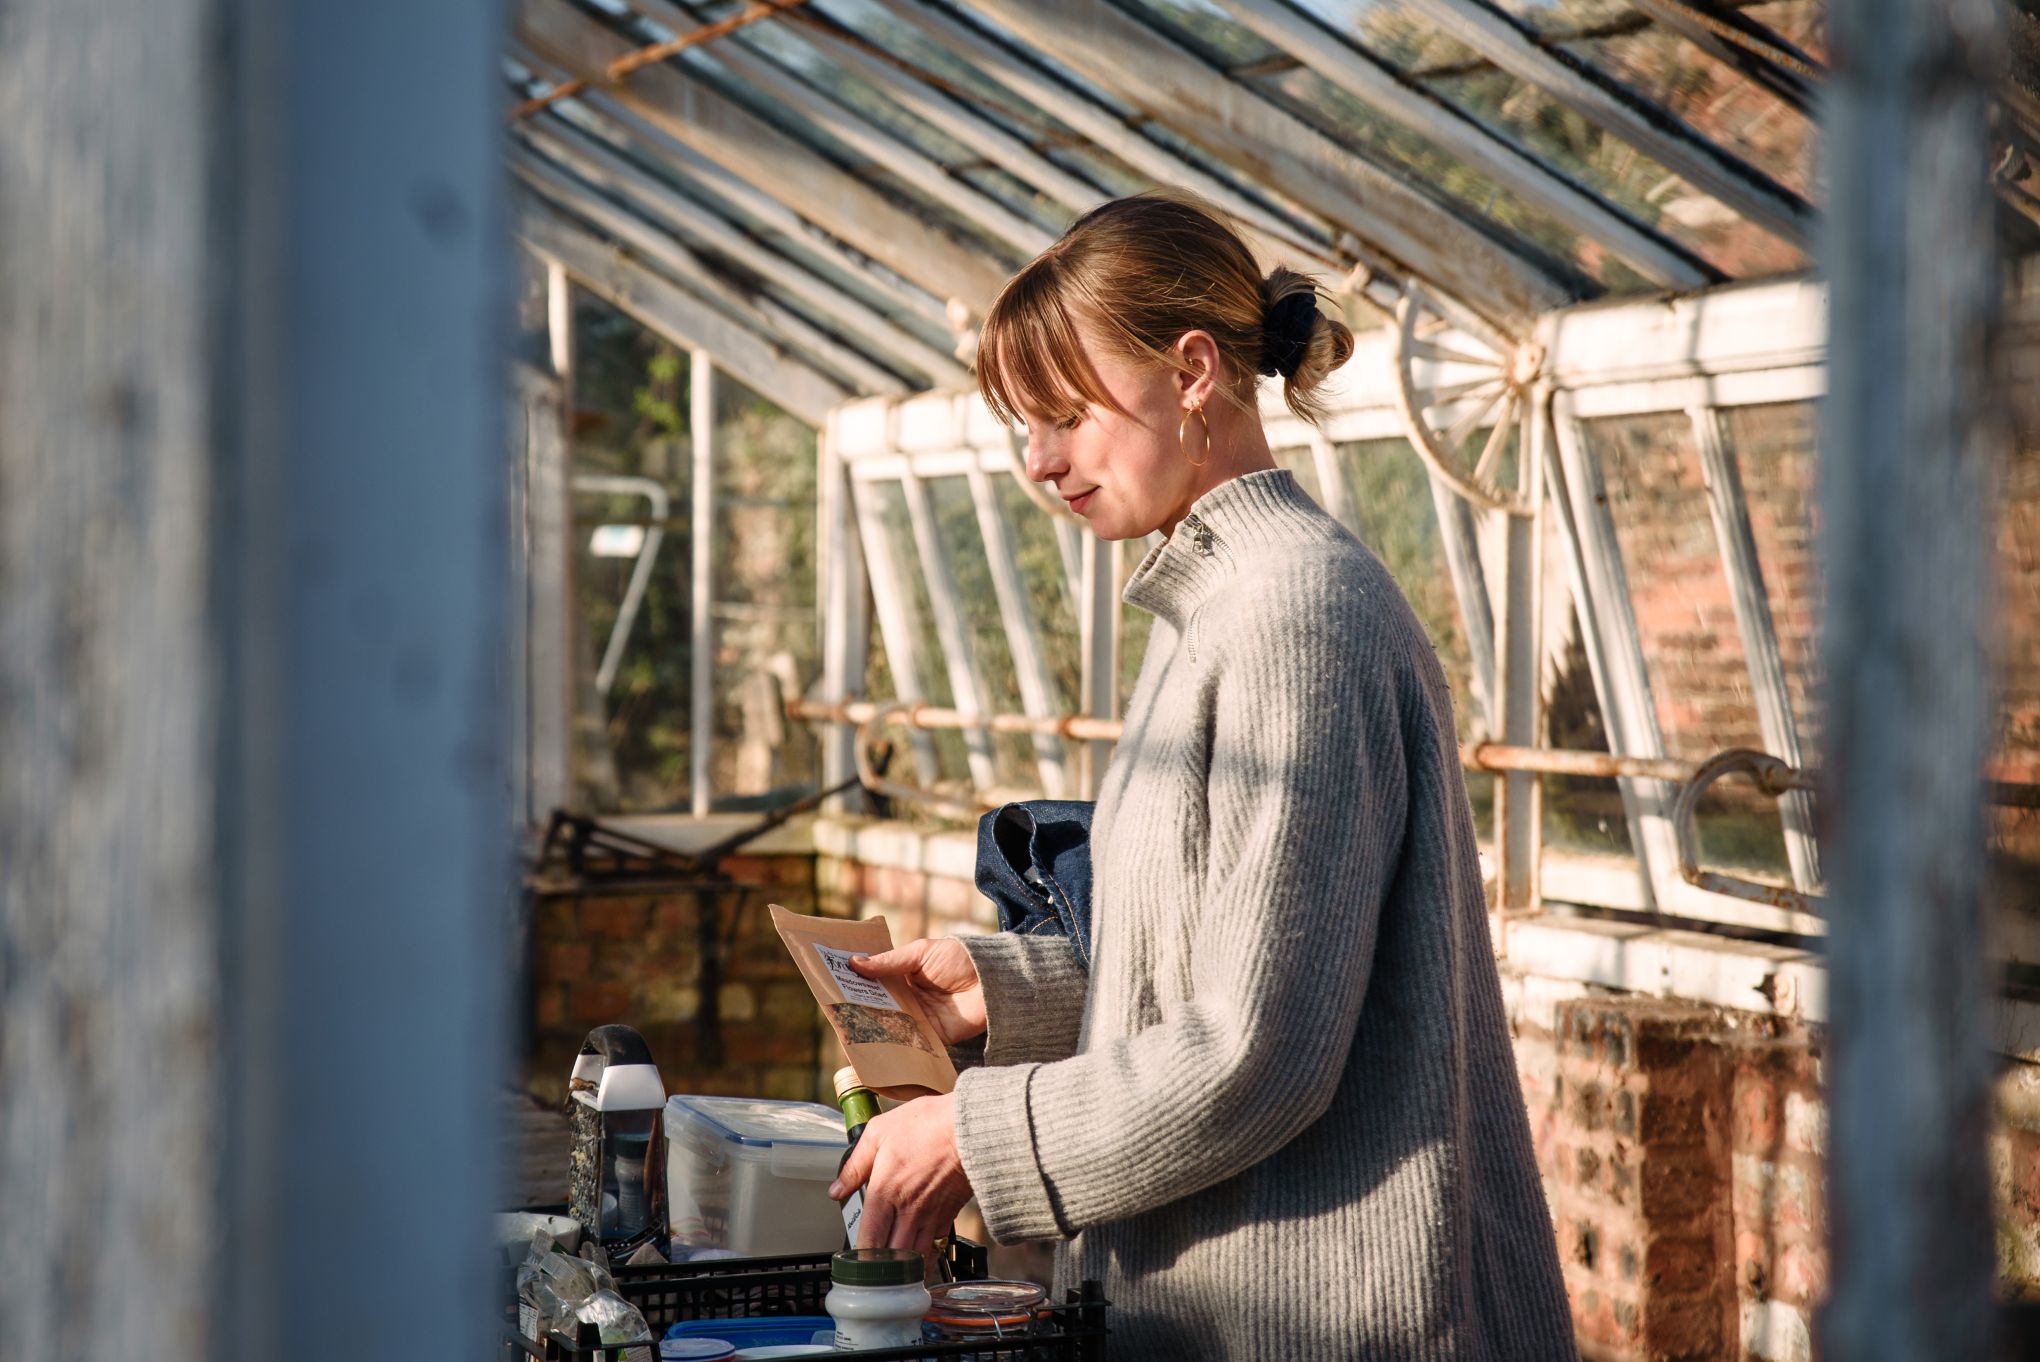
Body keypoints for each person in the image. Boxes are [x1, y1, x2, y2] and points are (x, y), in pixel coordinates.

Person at [828, 191, 1576, 1360]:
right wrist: (1008, 990)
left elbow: (1259, 1053)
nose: (1039, 461)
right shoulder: (1214, 603)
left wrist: (980, 1134)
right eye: (1025, 425)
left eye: (1067, 414)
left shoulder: (1291, 617)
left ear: (1191, 372)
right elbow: (1245, 957)